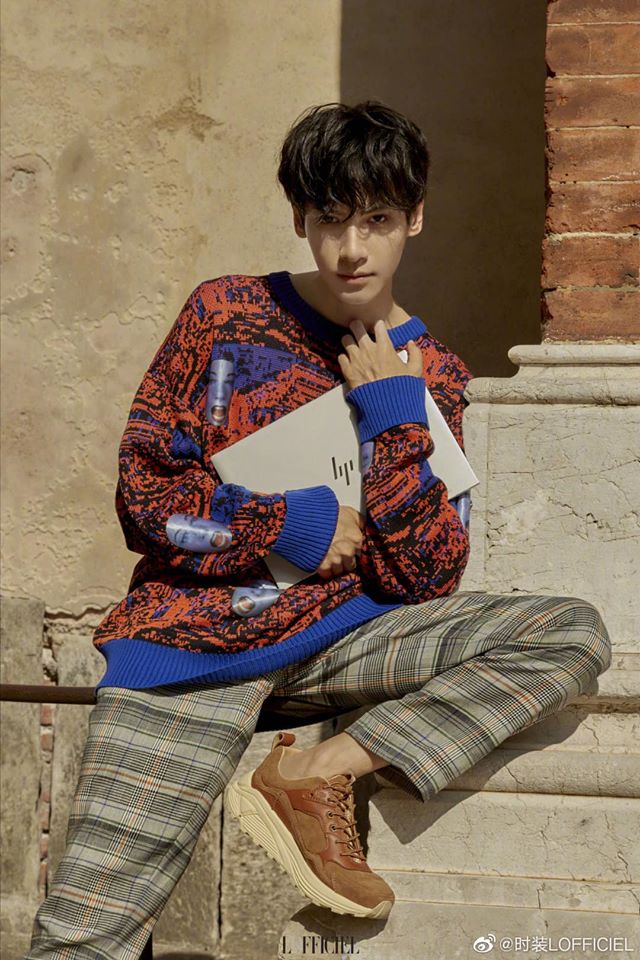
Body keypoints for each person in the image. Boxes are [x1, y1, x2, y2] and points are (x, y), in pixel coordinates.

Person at [27, 100, 612, 956]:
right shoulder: (226, 319)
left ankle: (311, 776)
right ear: (301, 217)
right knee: (84, 936)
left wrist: (394, 412)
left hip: (349, 638)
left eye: (377, 221)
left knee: (568, 633)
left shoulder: (433, 373)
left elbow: (427, 576)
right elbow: (148, 500)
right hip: (198, 643)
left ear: (415, 217)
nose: (351, 249)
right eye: (331, 220)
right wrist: (286, 524)